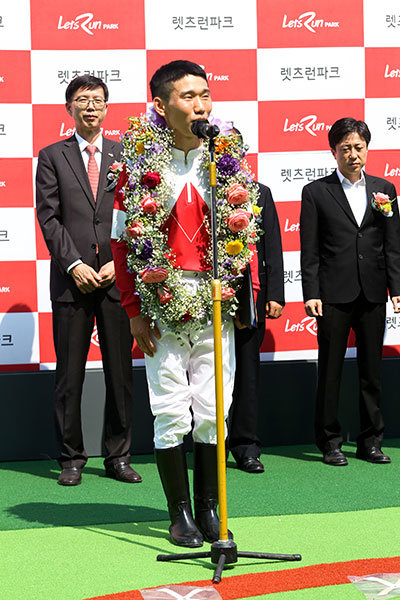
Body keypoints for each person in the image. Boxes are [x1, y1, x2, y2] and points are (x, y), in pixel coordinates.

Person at [111, 60, 261, 546]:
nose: (201, 105)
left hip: (216, 299)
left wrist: (239, 290)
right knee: (173, 408)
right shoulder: (137, 165)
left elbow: (244, 232)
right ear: (161, 105)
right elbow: (120, 243)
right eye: (188, 96)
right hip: (161, 304)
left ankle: (211, 510)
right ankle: (180, 515)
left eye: (205, 94)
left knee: (216, 406)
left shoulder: (226, 157)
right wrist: (134, 310)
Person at [36, 75, 142, 486]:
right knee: (70, 374)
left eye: (98, 100)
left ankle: (118, 456)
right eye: (82, 100)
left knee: (120, 374)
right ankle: (71, 457)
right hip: (72, 282)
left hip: (116, 279)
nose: (91, 107)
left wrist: (121, 261)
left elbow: (138, 212)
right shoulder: (52, 156)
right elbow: (49, 217)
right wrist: (74, 264)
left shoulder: (126, 156)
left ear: (107, 107)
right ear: (69, 108)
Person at [300, 117, 400, 466]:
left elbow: (392, 244)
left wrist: (396, 287)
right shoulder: (315, 192)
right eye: (346, 149)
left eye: (359, 147)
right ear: (334, 151)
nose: (353, 154)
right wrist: (311, 292)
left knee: (371, 371)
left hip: (372, 291)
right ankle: (329, 442)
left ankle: (371, 440)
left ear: (367, 150)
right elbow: (308, 248)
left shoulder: (384, 189)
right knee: (330, 371)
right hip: (332, 294)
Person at [229, 182, 284, 473]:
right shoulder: (200, 186)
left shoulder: (260, 192)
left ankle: (246, 446)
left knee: (248, 373)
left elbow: (272, 243)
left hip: (252, 294)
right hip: (207, 297)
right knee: (205, 371)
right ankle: (208, 444)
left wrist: (275, 293)